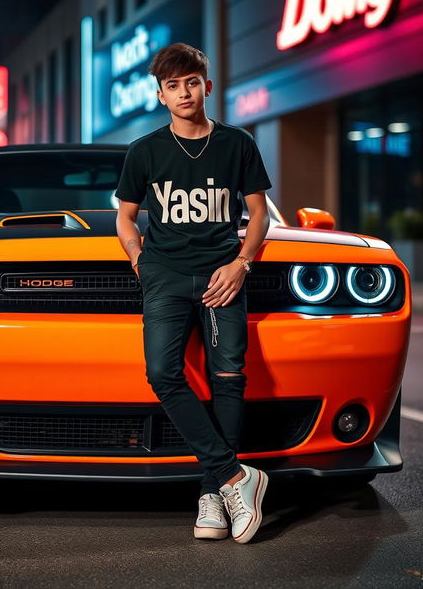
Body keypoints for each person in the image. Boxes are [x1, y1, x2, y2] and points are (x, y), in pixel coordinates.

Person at [115, 43, 272, 544]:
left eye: (191, 82)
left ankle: (212, 492)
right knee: (162, 372)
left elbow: (259, 214)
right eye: (171, 85)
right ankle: (234, 476)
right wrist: (140, 259)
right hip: (165, 274)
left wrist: (241, 264)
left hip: (222, 274)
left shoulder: (237, 143)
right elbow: (125, 217)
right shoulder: (145, 149)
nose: (182, 92)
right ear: (160, 95)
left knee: (228, 377)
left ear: (206, 85)